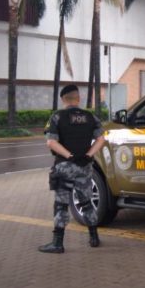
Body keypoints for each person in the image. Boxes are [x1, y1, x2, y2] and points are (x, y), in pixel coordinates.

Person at [38, 84, 106, 254]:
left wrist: (69, 156)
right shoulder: (91, 117)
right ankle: (94, 237)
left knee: (61, 204)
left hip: (65, 167)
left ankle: (57, 243)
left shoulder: (57, 117)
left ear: (63, 99)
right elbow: (101, 139)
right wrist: (89, 155)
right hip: (85, 166)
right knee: (87, 202)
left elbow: (51, 142)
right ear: (78, 98)